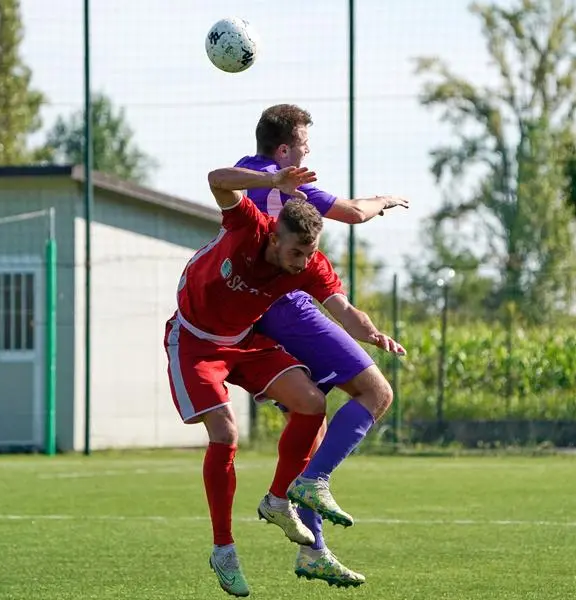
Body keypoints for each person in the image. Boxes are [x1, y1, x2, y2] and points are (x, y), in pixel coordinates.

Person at [164, 164, 404, 597]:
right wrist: (272, 183)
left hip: (245, 342)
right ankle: (224, 549)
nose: (303, 263)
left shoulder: (307, 264)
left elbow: (344, 311)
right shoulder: (248, 226)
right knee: (225, 432)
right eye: (296, 253)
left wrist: (369, 331)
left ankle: (277, 500)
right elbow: (216, 180)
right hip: (195, 342)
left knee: (312, 404)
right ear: (274, 238)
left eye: (309, 254)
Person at [234, 104, 408, 586]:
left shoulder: (249, 176)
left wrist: (368, 330)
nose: (310, 150)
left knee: (313, 417)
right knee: (377, 394)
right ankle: (310, 483)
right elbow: (353, 212)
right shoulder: (283, 184)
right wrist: (386, 198)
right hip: (284, 308)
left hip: (254, 314)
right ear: (286, 148)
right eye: (305, 142)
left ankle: (313, 549)